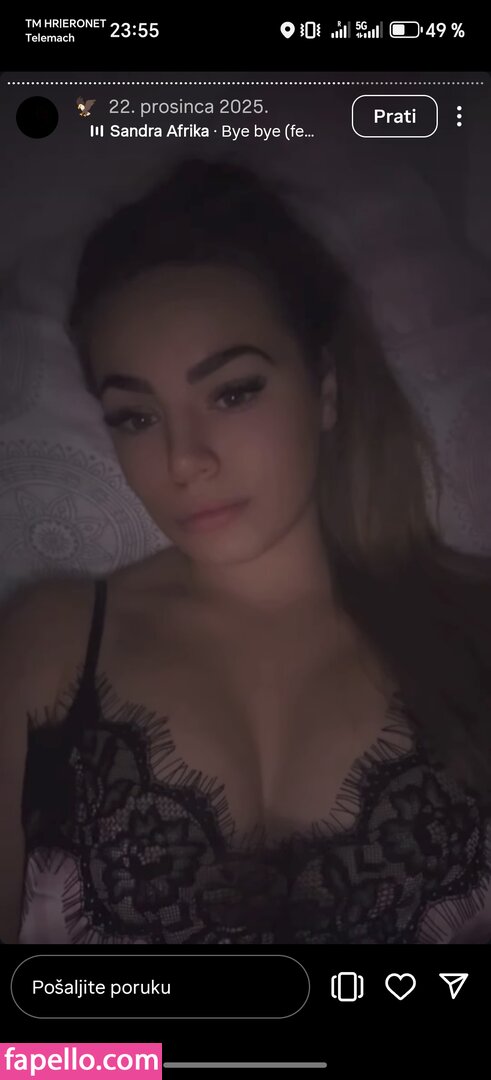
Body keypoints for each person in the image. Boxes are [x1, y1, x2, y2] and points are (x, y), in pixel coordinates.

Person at [1, 156, 491, 945]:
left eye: (232, 392)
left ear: (324, 390)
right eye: (135, 416)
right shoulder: (47, 643)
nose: (183, 460)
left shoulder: (474, 628)